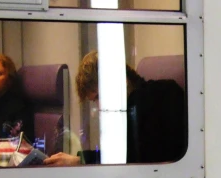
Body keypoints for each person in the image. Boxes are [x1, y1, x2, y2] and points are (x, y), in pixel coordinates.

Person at [44, 50, 187, 166]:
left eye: (99, 96)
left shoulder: (153, 102)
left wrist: (80, 160)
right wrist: (80, 160)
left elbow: (130, 160)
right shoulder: (148, 98)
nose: (99, 107)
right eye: (95, 101)